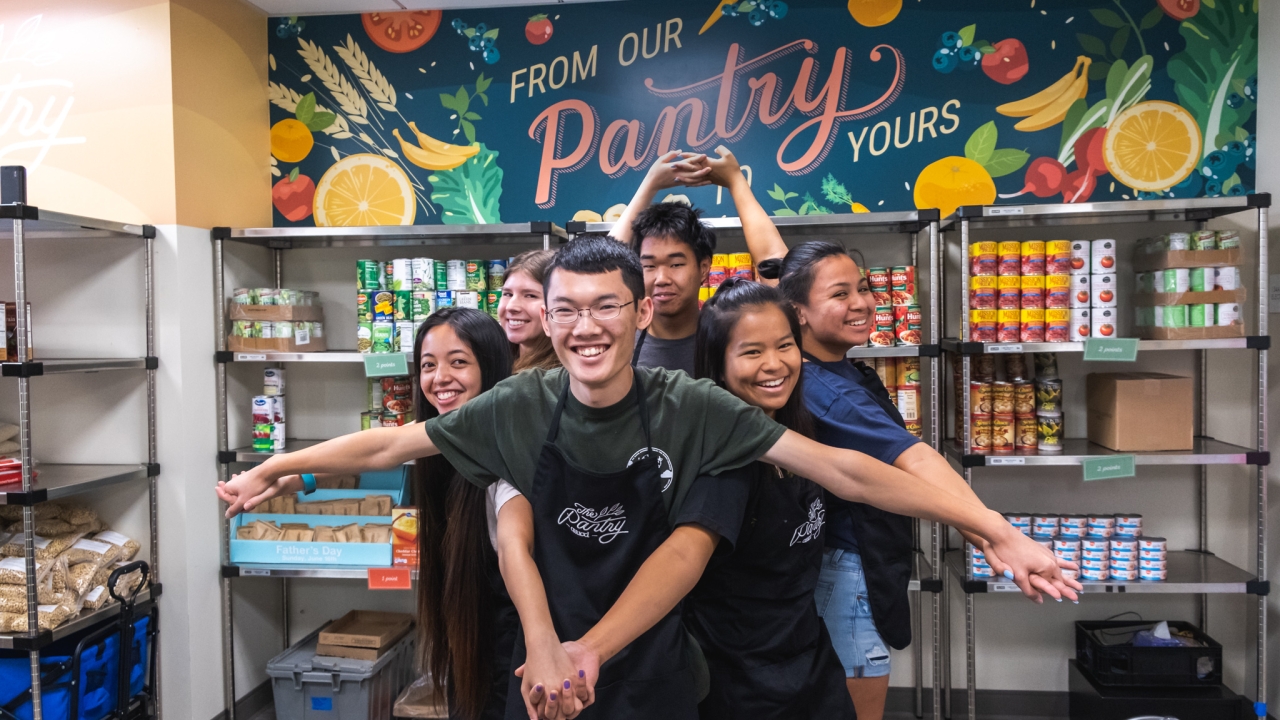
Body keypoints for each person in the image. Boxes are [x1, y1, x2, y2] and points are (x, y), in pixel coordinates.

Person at [215, 235, 1078, 720]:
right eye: (567, 309)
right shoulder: (521, 405)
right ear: (544, 320)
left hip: (659, 670)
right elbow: (389, 447)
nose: (585, 326)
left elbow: (844, 468)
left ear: (639, 312)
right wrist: (279, 465)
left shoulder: (690, 405)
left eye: (605, 307)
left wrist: (993, 529)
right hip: (541, 666)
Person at [699, 148, 1040, 719]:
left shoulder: (807, 349)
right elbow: (903, 462)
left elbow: (773, 258)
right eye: (839, 294)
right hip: (825, 582)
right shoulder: (821, 387)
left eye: (862, 287)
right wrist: (990, 529)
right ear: (799, 311)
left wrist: (736, 180)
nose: (860, 302)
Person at [685, 277, 855, 720]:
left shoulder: (796, 429)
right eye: (751, 351)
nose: (774, 364)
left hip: (808, 660)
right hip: (737, 680)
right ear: (718, 367)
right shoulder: (720, 464)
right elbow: (681, 563)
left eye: (785, 346)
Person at [608, 151, 714, 374]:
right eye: (649, 266)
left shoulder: (725, 340)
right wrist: (649, 184)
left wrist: (735, 181)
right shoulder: (618, 344)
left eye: (676, 264)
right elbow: (602, 265)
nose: (662, 279)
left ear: (703, 268)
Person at [499, 249, 560, 372]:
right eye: (507, 294)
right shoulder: (494, 361)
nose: (511, 306)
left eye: (530, 295)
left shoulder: (555, 381)